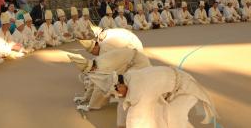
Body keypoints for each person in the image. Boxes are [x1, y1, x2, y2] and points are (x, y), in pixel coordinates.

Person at [88, 66, 218, 128]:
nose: (117, 95)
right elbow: (122, 108)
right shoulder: (127, 79)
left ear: (118, 85)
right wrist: (121, 126)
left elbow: (137, 119)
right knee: (159, 115)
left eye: (115, 92)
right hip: (169, 92)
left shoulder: (139, 87)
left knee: (173, 118)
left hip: (185, 89)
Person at [69, 48, 151, 111]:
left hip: (139, 63)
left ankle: (139, 103)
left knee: (127, 83)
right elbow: (92, 82)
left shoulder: (102, 67)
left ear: (92, 68)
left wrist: (90, 106)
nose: (90, 73)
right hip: (130, 62)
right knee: (119, 82)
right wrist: (85, 98)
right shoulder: (94, 62)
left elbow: (99, 89)